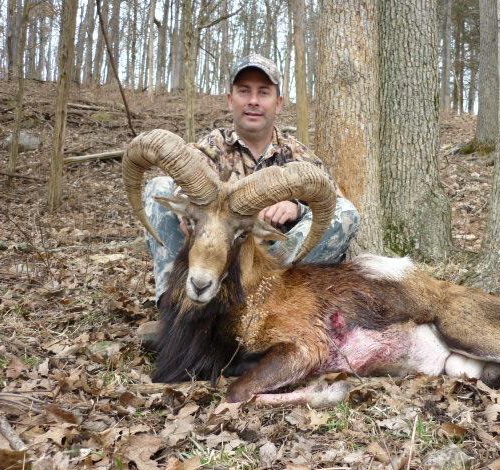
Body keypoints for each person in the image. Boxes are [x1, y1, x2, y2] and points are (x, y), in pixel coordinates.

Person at [142, 53, 360, 306]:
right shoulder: (212, 146)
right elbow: (182, 180)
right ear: (230, 100)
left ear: (278, 103)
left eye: (264, 92)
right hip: (210, 256)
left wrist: (296, 207)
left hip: (269, 267)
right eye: (244, 91)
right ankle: (175, 305)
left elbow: (333, 202)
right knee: (159, 188)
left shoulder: (298, 155)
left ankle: (268, 304)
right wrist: (188, 208)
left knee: (345, 212)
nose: (253, 101)